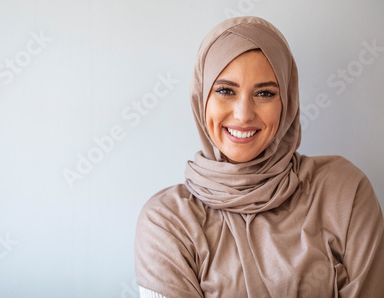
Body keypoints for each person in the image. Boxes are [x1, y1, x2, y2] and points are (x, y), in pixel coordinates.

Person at [134, 16, 384, 297]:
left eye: (265, 93)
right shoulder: (167, 220)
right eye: (225, 90)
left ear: (286, 103)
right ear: (201, 97)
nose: (243, 114)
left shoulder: (344, 192)